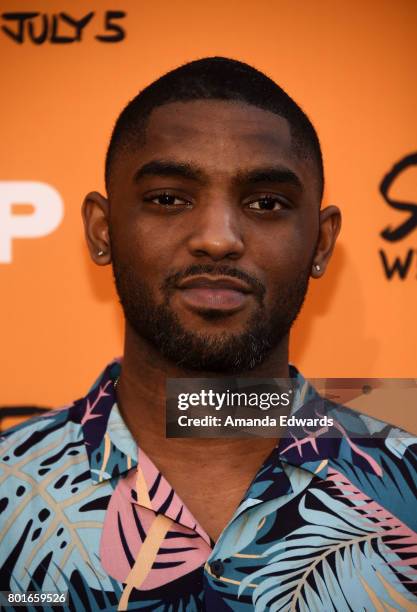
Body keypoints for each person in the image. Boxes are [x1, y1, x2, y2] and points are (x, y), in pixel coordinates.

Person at [1, 57, 416, 611]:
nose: (218, 239)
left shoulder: (407, 492)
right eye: (169, 199)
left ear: (320, 243)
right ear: (102, 231)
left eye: (265, 203)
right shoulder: (10, 491)